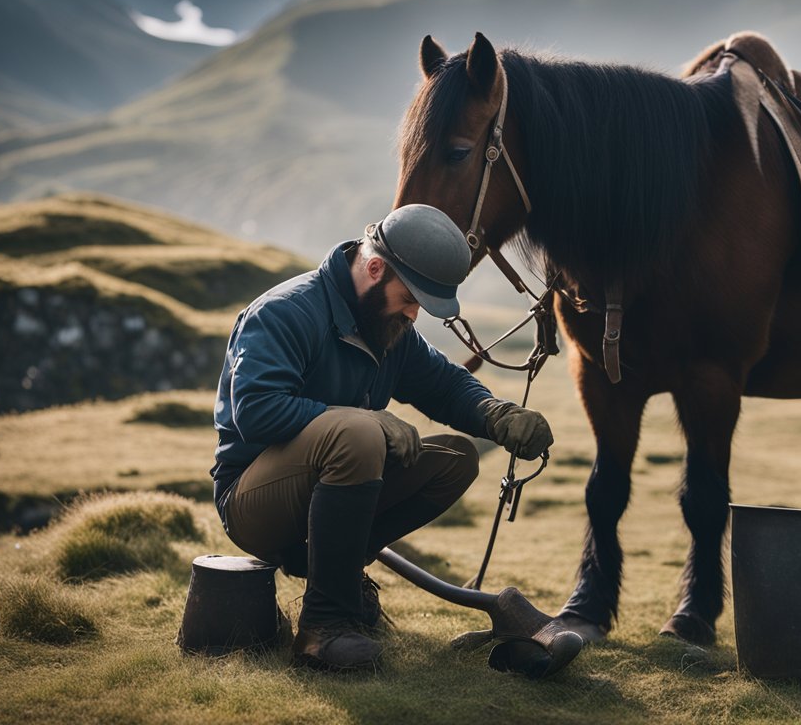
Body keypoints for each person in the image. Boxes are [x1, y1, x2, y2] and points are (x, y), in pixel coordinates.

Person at [209, 204, 553, 672]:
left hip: (324, 494)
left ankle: (341, 578)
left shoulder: (389, 326)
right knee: (360, 434)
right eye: (411, 298)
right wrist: (362, 419)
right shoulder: (284, 313)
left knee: (456, 459)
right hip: (252, 502)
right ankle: (322, 630)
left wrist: (496, 415)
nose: (414, 314)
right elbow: (255, 410)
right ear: (375, 269)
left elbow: (444, 384)